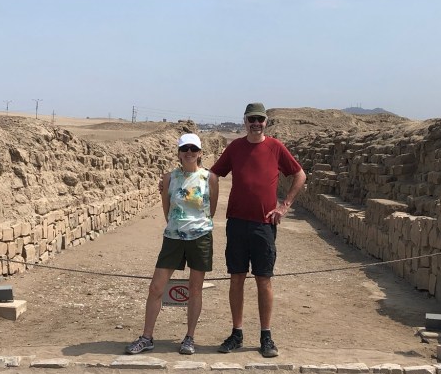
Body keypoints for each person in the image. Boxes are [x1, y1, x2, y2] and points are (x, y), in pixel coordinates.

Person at [209, 102, 306, 357]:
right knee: (237, 278)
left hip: (264, 225)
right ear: (245, 121)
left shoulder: (275, 147)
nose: (256, 123)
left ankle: (266, 335)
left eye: (260, 119)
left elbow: (300, 175)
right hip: (237, 223)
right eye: (252, 119)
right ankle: (237, 333)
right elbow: (213, 174)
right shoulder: (235, 147)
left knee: (264, 279)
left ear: (265, 122)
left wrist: (284, 206)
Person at [125, 133, 219, 356]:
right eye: (185, 149)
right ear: (178, 153)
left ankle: (189, 337)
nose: (189, 152)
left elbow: (211, 210)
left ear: (200, 153)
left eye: (193, 149)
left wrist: (194, 225)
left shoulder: (210, 178)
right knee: (156, 287)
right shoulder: (168, 178)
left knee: (195, 289)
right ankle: (147, 337)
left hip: (200, 237)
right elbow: (167, 210)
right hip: (174, 237)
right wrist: (178, 226)